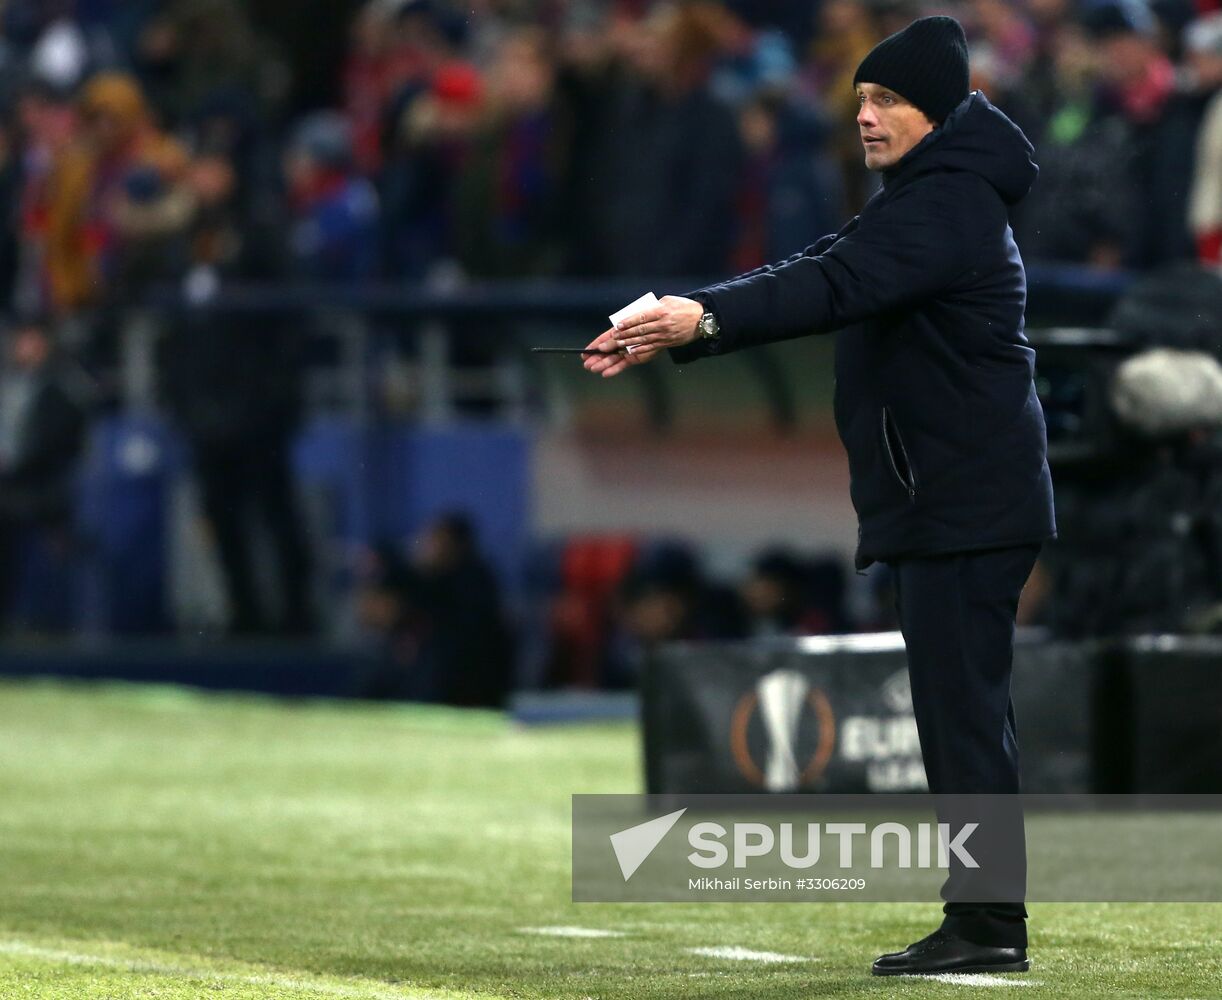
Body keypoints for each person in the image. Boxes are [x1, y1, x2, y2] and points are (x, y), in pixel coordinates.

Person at [583, 16, 1055, 978]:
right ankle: (983, 916)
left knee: (963, 718)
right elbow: (810, 268)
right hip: (947, 498)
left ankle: (990, 923)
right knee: (958, 715)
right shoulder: (928, 193)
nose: (868, 119)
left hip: (963, 502)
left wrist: (702, 318)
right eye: (861, 103)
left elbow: (832, 284)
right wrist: (684, 320)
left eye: (887, 101)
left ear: (936, 111)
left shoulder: (947, 205)